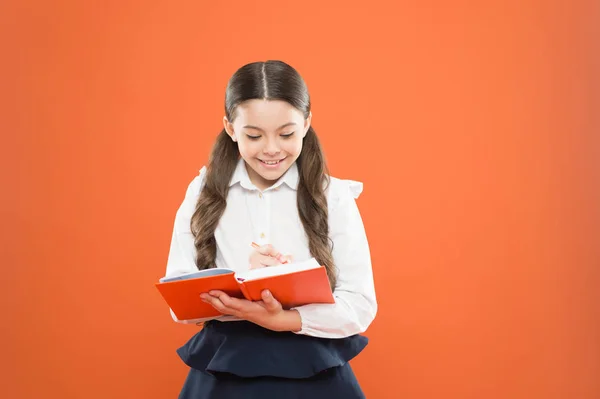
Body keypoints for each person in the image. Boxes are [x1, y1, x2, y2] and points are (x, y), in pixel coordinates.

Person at [163, 60, 377, 399]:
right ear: (230, 128)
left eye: (287, 133)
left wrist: (285, 317)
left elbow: (360, 307)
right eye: (253, 135)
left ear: (306, 124)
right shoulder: (203, 191)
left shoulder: (332, 196)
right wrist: (242, 286)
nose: (272, 149)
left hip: (313, 373)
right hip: (226, 373)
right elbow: (179, 303)